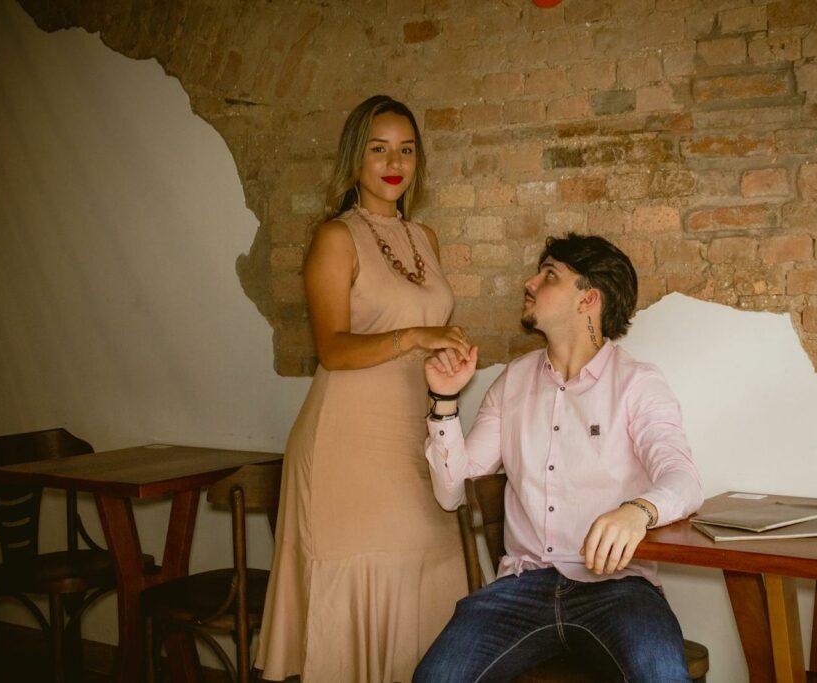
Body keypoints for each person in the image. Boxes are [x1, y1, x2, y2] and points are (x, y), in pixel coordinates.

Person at [413, 234, 704, 682]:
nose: (530, 282)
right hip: (521, 590)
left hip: (619, 589)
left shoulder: (638, 384)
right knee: (435, 678)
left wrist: (637, 511)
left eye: (549, 275)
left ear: (588, 299)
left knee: (661, 676)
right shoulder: (512, 382)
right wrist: (444, 401)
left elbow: (683, 479)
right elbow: (454, 493)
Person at [256, 95, 471, 682]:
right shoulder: (334, 237)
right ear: (356, 158)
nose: (393, 161)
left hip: (413, 433)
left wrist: (445, 356)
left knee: (432, 580)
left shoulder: (424, 236)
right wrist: (416, 335)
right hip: (346, 444)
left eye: (406, 149)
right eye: (378, 149)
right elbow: (333, 349)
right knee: (356, 590)